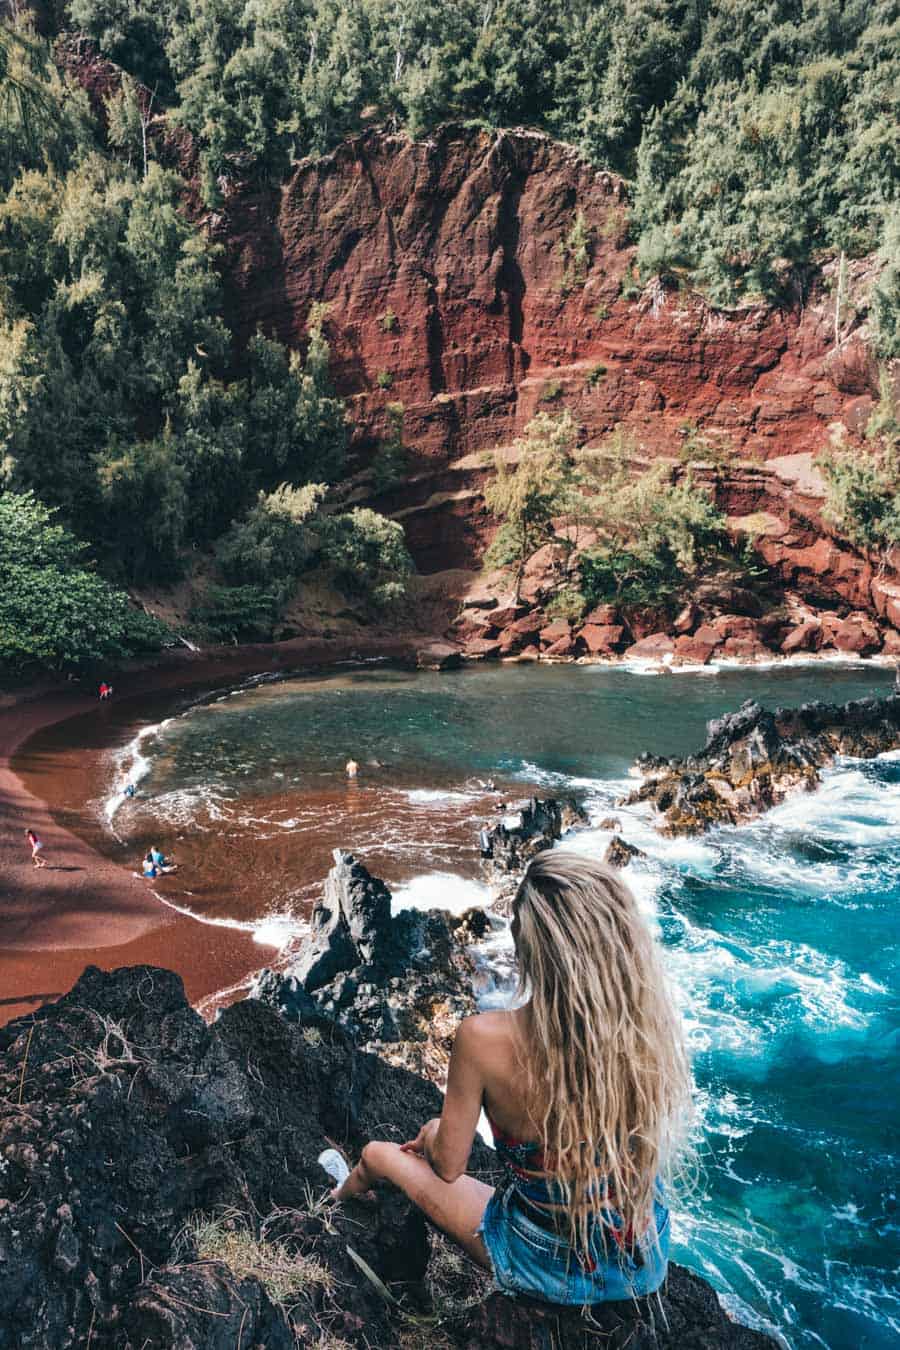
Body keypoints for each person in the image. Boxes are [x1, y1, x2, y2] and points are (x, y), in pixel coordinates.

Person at [327, 852, 692, 1306]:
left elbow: (448, 1167)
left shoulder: (483, 1038)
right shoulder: (643, 1026)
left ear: (528, 946)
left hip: (542, 1262)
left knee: (377, 1155)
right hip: (643, 1259)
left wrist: (435, 1132)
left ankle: (334, 1201)